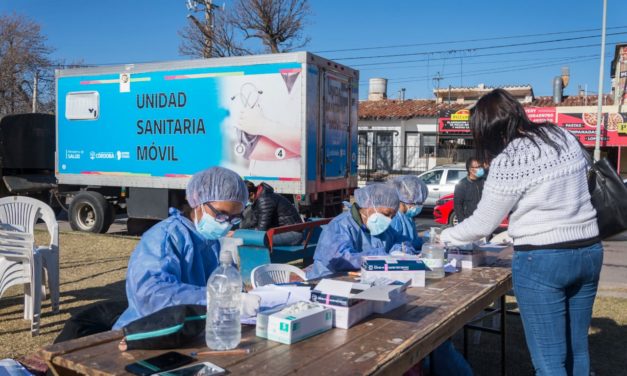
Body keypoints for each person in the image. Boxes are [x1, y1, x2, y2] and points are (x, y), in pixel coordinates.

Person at [441, 89, 602, 375]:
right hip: (589, 250)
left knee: (549, 362)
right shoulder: (561, 135)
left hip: (543, 258)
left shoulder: (510, 159)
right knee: (578, 350)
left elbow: (482, 224)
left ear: (488, 131)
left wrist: (443, 237)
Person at [113, 166, 260, 329]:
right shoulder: (165, 238)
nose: (226, 223)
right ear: (197, 201)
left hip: (193, 330)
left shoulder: (212, 240)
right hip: (145, 332)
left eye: (234, 218)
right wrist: (217, 300)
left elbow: (229, 285)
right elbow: (150, 295)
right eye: (220, 214)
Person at [307, 183, 411, 279]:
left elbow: (400, 241)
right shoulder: (340, 225)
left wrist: (400, 250)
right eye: (385, 214)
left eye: (392, 217)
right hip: (329, 282)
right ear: (368, 204)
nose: (388, 220)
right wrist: (380, 255)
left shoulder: (381, 228)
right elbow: (340, 260)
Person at [242, 181, 303, 246]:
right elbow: (254, 222)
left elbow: (261, 229)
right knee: (249, 238)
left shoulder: (264, 200)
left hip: (293, 234)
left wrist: (243, 235)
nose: (246, 201)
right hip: (284, 231)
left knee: (257, 240)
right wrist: (240, 232)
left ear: (252, 194)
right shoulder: (260, 198)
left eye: (245, 198)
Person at [388, 175, 428, 249]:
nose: (419, 206)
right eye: (417, 203)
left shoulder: (407, 217)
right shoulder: (394, 219)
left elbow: (412, 241)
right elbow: (393, 247)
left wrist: (426, 241)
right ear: (407, 199)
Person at [454, 157, 485, 223]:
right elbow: (458, 205)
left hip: (484, 222)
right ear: (470, 169)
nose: (480, 169)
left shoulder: (484, 182)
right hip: (469, 222)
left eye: (481, 166)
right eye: (478, 167)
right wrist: (462, 222)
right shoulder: (462, 185)